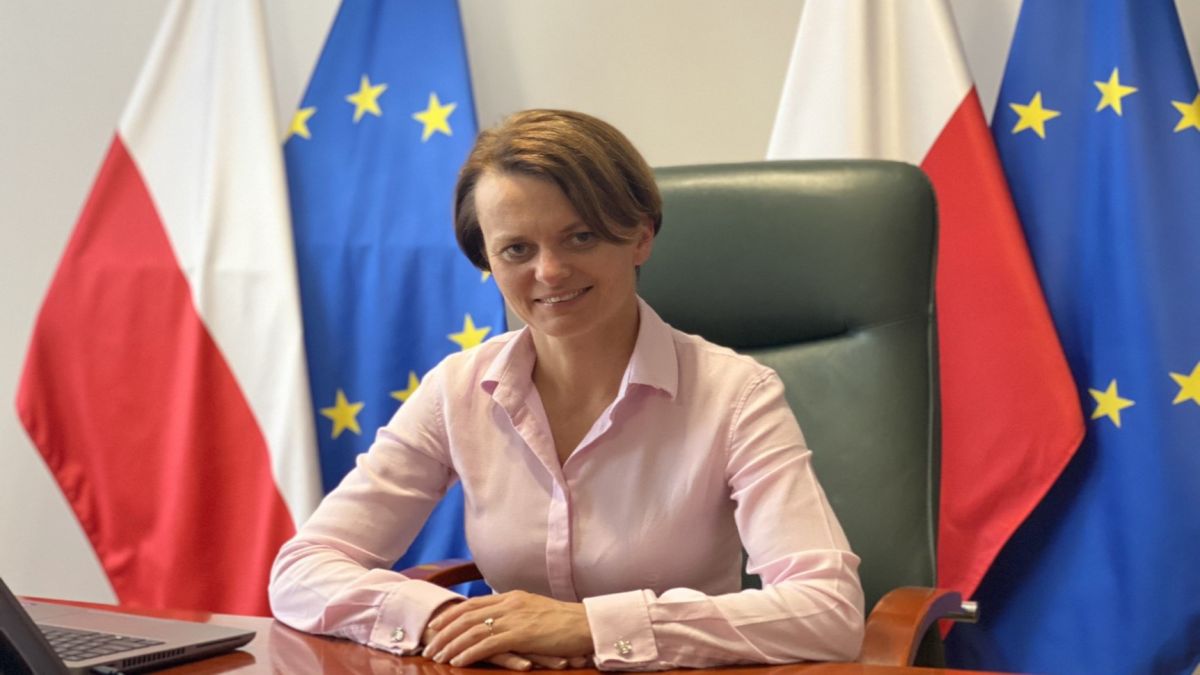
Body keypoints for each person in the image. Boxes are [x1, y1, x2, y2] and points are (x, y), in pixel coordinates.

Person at [269, 109, 865, 671]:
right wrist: (439, 617)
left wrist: (591, 627)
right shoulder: (458, 389)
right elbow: (302, 569)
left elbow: (828, 609)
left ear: (641, 237)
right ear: (488, 261)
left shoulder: (736, 394)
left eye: (580, 238)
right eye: (516, 250)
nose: (549, 272)